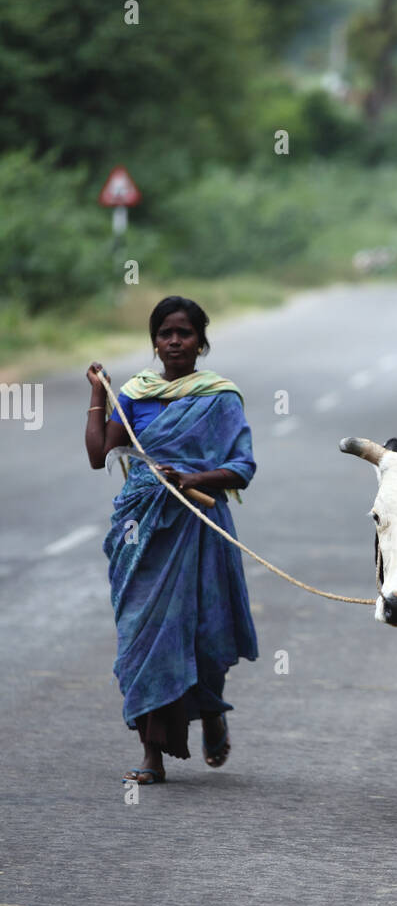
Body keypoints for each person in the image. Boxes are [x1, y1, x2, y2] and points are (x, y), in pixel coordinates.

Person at [85, 296, 258, 784]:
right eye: (165, 333)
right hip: (139, 528)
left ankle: (211, 709)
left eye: (184, 333)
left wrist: (193, 477)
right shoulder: (136, 394)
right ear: (154, 341)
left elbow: (242, 469)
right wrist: (100, 393)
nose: (174, 341)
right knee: (144, 633)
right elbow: (101, 453)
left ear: (201, 342)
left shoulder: (219, 397)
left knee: (204, 629)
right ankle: (152, 756)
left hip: (200, 522)